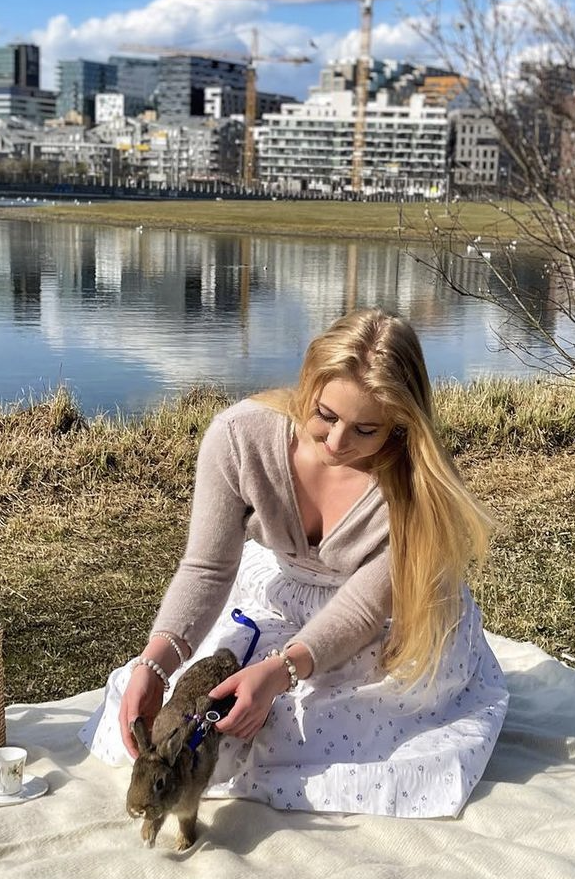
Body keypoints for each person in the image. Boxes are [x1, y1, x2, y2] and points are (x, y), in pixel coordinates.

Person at [80, 308, 508, 817]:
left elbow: (361, 612)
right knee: (192, 718)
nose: (336, 443)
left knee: (308, 732)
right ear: (308, 382)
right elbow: (208, 568)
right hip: (283, 595)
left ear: (398, 426)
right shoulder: (240, 438)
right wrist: (158, 661)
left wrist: (283, 670)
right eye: (325, 415)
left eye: (365, 430)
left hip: (391, 616)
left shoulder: (414, 489)